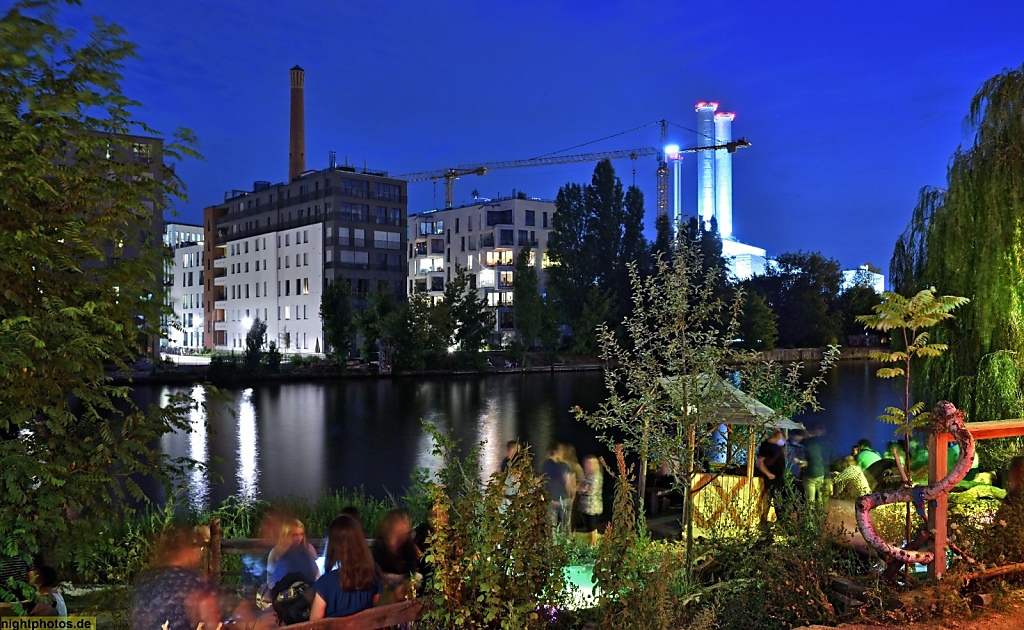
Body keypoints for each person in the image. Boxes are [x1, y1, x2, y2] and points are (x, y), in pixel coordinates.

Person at [131, 524, 222, 630]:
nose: (199, 553)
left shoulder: (145, 580)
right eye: (197, 547)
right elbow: (212, 623)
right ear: (186, 549)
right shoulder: (196, 583)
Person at [310, 515, 381, 620]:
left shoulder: (326, 583)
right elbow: (375, 604)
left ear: (333, 545)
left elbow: (314, 624)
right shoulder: (374, 575)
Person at [370, 509, 420, 601]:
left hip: (403, 586)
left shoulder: (408, 546)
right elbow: (377, 571)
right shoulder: (380, 545)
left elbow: (410, 572)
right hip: (384, 587)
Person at [267, 519, 320, 590]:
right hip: (284, 593)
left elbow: (317, 574)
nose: (299, 538)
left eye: (301, 534)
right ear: (286, 535)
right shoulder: (276, 552)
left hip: (308, 592)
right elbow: (270, 578)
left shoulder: (309, 549)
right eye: (295, 535)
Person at [540, 445, 573, 532]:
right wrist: (571, 496)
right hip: (564, 499)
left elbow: (540, 481)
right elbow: (568, 483)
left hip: (550, 500)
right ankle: (566, 543)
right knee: (565, 527)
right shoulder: (564, 466)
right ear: (557, 452)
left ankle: (553, 544)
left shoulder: (544, 465)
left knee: (551, 528)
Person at [802, 424, 832, 506]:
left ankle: (811, 515)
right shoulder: (826, 443)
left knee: (811, 498)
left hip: (813, 473)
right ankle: (822, 514)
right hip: (823, 473)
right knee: (821, 497)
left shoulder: (810, 443)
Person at [577, 455, 604, 545]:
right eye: (587, 463)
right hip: (586, 506)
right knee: (588, 526)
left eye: (589, 463)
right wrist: (583, 488)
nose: (587, 465)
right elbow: (581, 487)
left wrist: (583, 489)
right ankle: (592, 542)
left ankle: (594, 543)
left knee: (592, 526)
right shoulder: (587, 474)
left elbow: (592, 490)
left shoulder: (596, 475)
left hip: (593, 506)